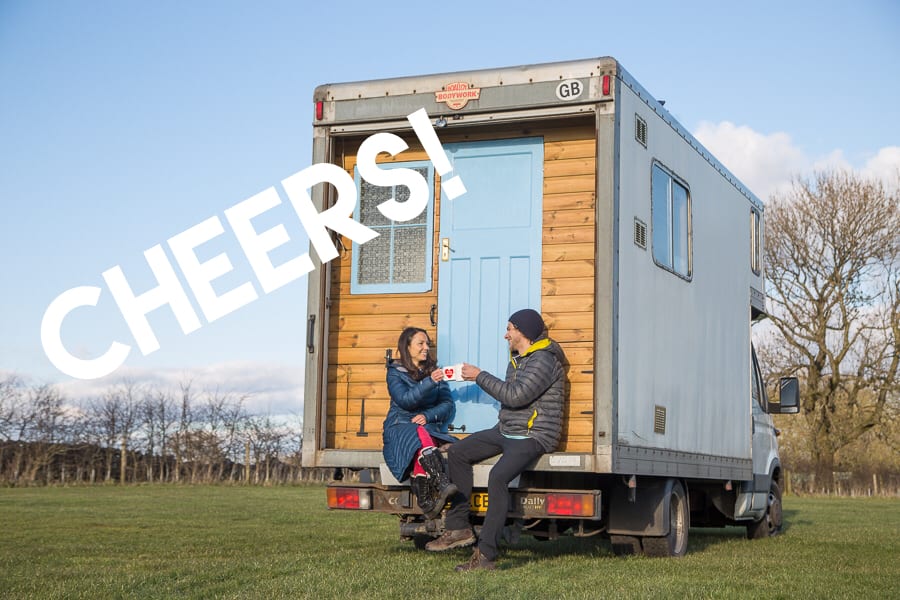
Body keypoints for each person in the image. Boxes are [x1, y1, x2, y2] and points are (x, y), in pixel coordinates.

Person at [425, 309, 567, 572]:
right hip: (507, 430)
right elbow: (512, 401)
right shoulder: (519, 359)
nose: (506, 334)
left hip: (533, 435)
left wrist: (478, 376)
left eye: (510, 329)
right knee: (458, 452)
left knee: (497, 477)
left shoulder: (544, 361)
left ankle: (486, 556)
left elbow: (515, 396)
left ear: (522, 331)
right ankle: (459, 529)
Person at [383, 327, 458, 519]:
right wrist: (429, 382)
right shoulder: (395, 373)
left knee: (421, 434)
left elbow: (447, 404)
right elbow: (405, 400)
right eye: (421, 344)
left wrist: (428, 415)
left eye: (427, 344)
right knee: (419, 435)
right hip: (400, 424)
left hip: (424, 425)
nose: (426, 348)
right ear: (407, 347)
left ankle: (426, 502)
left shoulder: (434, 371)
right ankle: (440, 482)